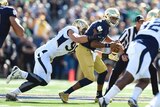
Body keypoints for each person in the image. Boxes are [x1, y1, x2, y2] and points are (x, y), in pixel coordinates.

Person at [5, 19, 101, 101]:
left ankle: (13, 93)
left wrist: (99, 53)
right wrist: (91, 37)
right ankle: (19, 73)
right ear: (79, 27)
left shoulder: (76, 42)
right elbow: (76, 38)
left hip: (46, 55)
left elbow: (82, 50)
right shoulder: (71, 29)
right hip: (44, 54)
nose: (85, 32)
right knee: (44, 80)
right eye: (84, 30)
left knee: (37, 80)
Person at [59, 8, 122, 103]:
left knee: (103, 71)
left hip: (90, 50)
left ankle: (99, 96)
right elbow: (93, 43)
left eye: (115, 19)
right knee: (90, 78)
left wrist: (113, 42)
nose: (114, 20)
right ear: (107, 16)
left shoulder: (105, 25)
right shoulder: (101, 26)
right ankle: (66, 93)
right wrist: (109, 45)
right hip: (84, 49)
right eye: (112, 18)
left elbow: (104, 37)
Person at [98, 12, 160, 107]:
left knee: (145, 78)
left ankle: (133, 98)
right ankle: (105, 99)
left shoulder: (150, 22)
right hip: (143, 49)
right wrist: (122, 53)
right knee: (129, 76)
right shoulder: (130, 30)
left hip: (137, 46)